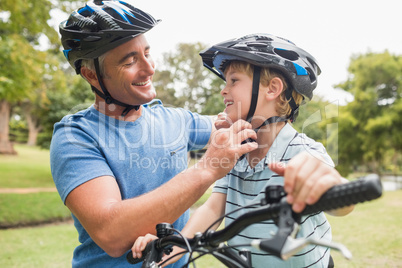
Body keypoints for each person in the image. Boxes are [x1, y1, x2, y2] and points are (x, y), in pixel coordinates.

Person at [50, 1, 258, 267]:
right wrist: (207, 169)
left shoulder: (175, 120)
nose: (149, 68)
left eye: (147, 53)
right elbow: (111, 233)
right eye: (130, 61)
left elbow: (239, 124)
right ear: (92, 75)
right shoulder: (76, 136)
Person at [132, 33, 354, 267]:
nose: (223, 90)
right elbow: (213, 207)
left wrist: (327, 184)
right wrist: (174, 249)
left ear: (272, 89)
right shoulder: (236, 152)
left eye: (234, 81)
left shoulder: (303, 152)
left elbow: (342, 205)